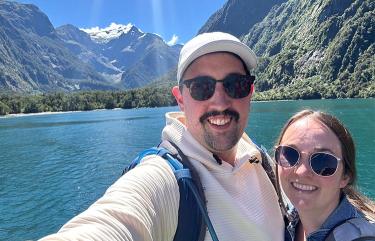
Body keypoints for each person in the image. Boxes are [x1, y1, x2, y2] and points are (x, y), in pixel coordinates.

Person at [40, 32, 284, 241]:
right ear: (180, 99)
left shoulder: (262, 161)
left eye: (236, 84)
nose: (219, 101)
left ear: (250, 91)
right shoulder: (169, 180)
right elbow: (113, 221)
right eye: (201, 87)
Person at [273, 110, 375, 241]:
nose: (301, 171)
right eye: (290, 154)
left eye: (322, 161)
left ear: (345, 177)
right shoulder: (286, 221)